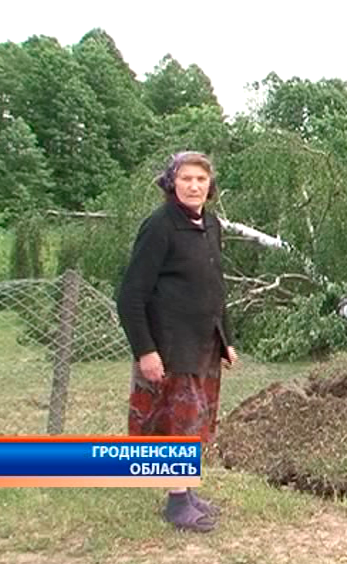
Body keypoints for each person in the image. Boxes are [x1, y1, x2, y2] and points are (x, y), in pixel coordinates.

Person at [116, 151, 239, 533]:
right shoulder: (159, 226)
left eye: (201, 179)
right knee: (178, 424)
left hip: (204, 345)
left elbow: (214, 286)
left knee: (197, 422)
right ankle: (176, 503)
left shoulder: (211, 224)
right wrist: (145, 351)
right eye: (186, 178)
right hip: (171, 347)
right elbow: (130, 295)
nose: (194, 185)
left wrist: (226, 339)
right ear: (172, 183)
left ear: (210, 186)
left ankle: (185, 494)